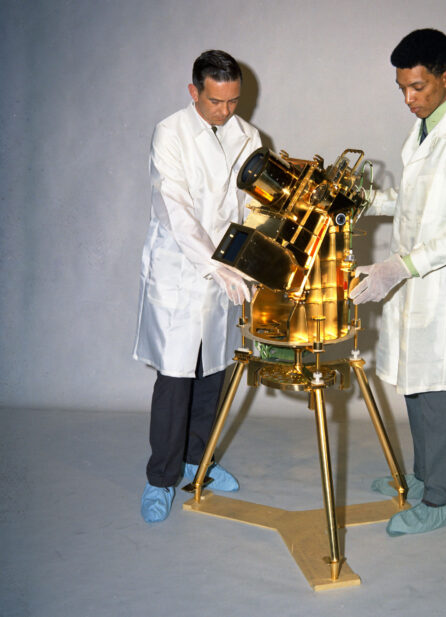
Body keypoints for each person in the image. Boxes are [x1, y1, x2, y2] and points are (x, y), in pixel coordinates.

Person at [350, 29, 446, 536]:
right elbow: (413, 201)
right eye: (402, 89)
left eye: (418, 87)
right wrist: (363, 201)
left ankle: (444, 498)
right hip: (417, 279)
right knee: (418, 388)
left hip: (444, 287)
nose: (410, 99)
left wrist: (398, 268)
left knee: (442, 393)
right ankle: (423, 477)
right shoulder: (423, 132)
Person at [132, 50, 262, 523]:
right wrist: (213, 264)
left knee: (215, 374)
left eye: (233, 101)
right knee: (175, 379)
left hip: (228, 274)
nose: (225, 111)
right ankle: (161, 478)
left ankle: (198, 464)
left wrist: (247, 260)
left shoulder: (249, 136)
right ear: (194, 92)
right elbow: (175, 208)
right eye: (215, 101)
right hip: (181, 274)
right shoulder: (171, 132)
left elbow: (253, 205)